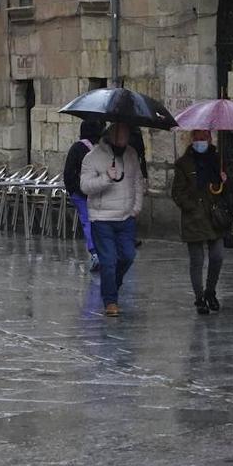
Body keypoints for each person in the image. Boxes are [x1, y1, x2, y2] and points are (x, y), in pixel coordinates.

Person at [80, 122, 144, 317]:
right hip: (102, 218)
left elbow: (137, 181)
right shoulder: (92, 158)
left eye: (127, 135)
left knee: (127, 256)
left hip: (126, 217)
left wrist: (136, 207)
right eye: (121, 135)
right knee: (108, 261)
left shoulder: (131, 154)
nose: (124, 139)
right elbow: (85, 186)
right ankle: (110, 301)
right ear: (111, 136)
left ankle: (112, 285)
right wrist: (106, 178)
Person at [171, 130, 228, 314]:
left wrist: (224, 181)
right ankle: (199, 297)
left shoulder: (217, 161)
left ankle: (210, 291)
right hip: (194, 218)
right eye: (197, 138)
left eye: (203, 138)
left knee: (217, 255)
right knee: (197, 260)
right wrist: (191, 207)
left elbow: (223, 191)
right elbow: (177, 193)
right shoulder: (183, 164)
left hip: (214, 217)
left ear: (210, 139)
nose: (200, 141)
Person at [63, 119, 105, 272]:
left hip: (81, 193)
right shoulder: (102, 149)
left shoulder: (77, 148)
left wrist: (73, 190)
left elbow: (68, 172)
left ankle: (95, 253)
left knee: (87, 221)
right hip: (99, 192)